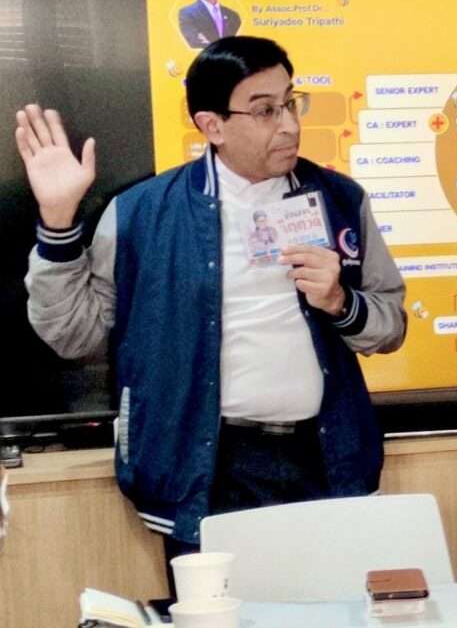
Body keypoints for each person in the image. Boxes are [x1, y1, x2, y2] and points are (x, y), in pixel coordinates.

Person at [16, 36, 406, 584]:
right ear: (212, 125)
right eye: (265, 110)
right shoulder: (142, 213)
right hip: (206, 466)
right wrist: (58, 222)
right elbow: (74, 335)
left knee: (335, 612)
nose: (289, 125)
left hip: (325, 456)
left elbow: (390, 325)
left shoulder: (340, 198)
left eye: (291, 103)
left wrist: (341, 303)